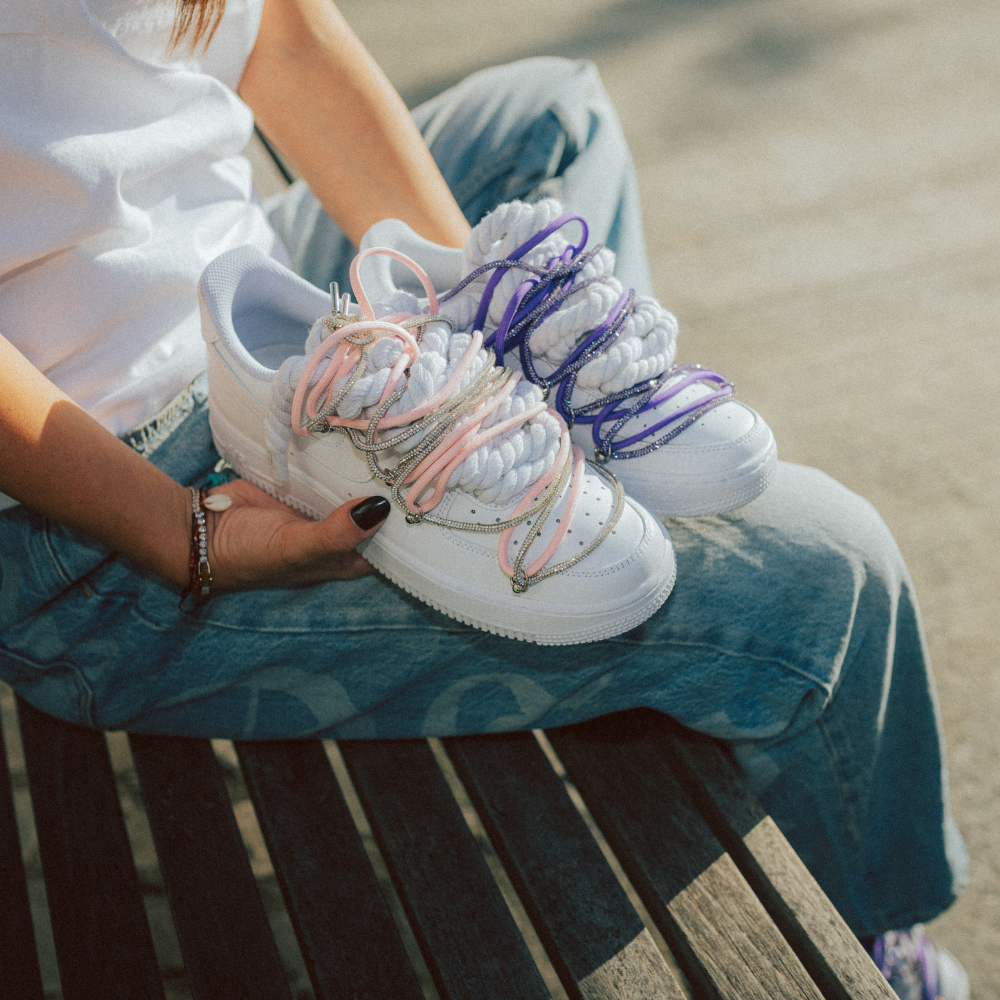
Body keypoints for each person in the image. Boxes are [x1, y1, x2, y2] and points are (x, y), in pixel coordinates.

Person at [0, 0, 970, 995]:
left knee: (555, 114)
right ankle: (866, 943)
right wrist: (174, 530)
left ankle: (541, 478)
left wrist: (474, 309)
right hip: (106, 510)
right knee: (825, 571)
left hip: (239, 291)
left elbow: (277, 30)